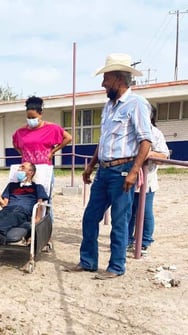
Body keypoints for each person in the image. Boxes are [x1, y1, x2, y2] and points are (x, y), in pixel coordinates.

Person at [70, 53, 153, 279]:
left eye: (106, 78)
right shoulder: (108, 106)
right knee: (90, 217)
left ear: (118, 78)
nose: (103, 84)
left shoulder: (136, 104)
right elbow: (104, 140)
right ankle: (88, 261)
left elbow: (146, 140)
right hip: (104, 170)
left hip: (123, 170)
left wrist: (134, 172)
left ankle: (116, 267)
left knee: (119, 219)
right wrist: (91, 166)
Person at [0, 162, 49, 246]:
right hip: (7, 209)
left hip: (22, 211)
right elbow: (4, 205)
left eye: (22, 167)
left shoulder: (37, 187)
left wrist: (36, 221)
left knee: (14, 215)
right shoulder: (11, 185)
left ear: (31, 172)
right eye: (19, 167)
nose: (19, 169)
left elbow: (39, 204)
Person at [128, 104, 169, 253]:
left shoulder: (155, 133)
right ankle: (127, 240)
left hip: (147, 180)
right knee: (128, 211)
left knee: (145, 212)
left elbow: (164, 155)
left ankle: (145, 241)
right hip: (128, 177)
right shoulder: (130, 131)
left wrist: (149, 154)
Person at [12, 96, 72, 168]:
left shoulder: (51, 128)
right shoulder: (20, 131)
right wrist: (23, 154)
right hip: (27, 169)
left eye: (33, 117)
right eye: (29, 118)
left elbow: (68, 138)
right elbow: (15, 143)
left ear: (41, 114)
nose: (31, 120)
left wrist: (52, 152)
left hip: (45, 168)